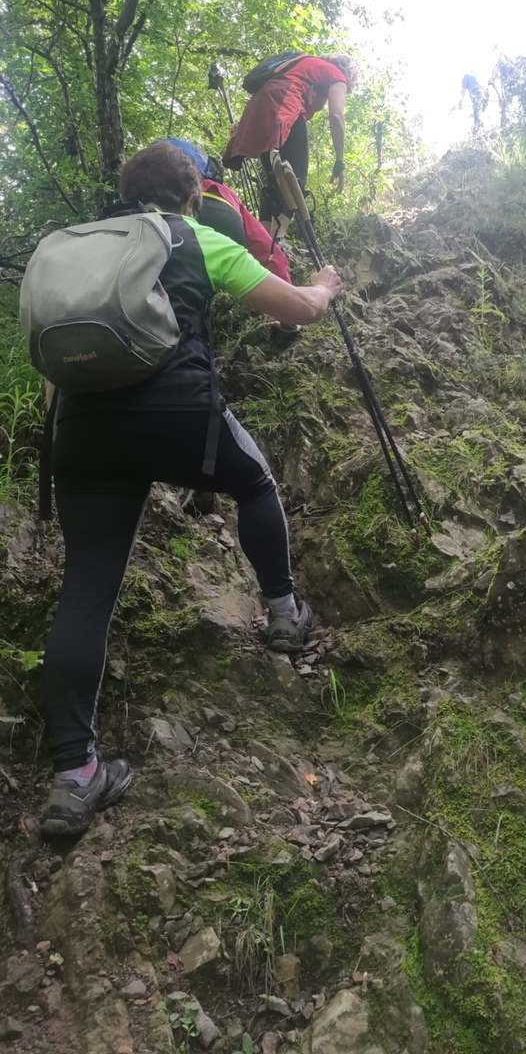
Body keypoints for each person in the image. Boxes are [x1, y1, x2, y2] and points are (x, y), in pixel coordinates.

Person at [39, 142, 342, 838]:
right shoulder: (193, 236)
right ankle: (283, 613)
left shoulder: (74, 251)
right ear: (191, 194)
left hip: (82, 432)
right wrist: (325, 285)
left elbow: (54, 365)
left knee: (87, 586)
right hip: (178, 416)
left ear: (123, 192)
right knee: (255, 480)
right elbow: (295, 309)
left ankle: (74, 778)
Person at [223, 54, 356, 229]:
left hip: (259, 109)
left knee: (274, 183)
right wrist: (339, 161)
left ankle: (264, 244)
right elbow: (336, 116)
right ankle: (276, 242)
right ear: (349, 76)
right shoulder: (337, 75)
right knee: (295, 181)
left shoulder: (307, 64)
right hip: (285, 107)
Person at [164, 138, 291, 283]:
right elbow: (265, 246)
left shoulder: (149, 190)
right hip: (221, 205)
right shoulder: (223, 191)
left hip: (166, 222)